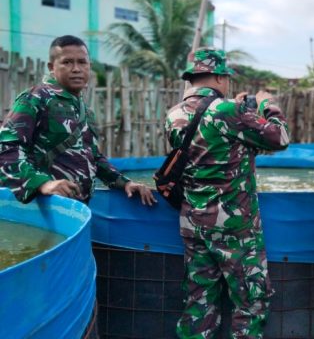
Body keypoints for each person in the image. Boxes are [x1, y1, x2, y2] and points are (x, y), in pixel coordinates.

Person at [164, 48, 289, 338]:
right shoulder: (227, 111)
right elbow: (280, 137)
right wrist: (268, 104)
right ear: (220, 77)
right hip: (233, 225)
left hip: (192, 222)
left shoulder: (174, 115)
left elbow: (215, 150)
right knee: (250, 301)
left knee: (199, 302)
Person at [0, 35, 154, 206]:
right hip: (46, 208)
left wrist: (125, 182)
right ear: (51, 67)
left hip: (78, 207)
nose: (76, 69)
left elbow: (93, 157)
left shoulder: (85, 110)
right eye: (67, 62)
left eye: (82, 62)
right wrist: (42, 183)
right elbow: (6, 147)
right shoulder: (35, 98)